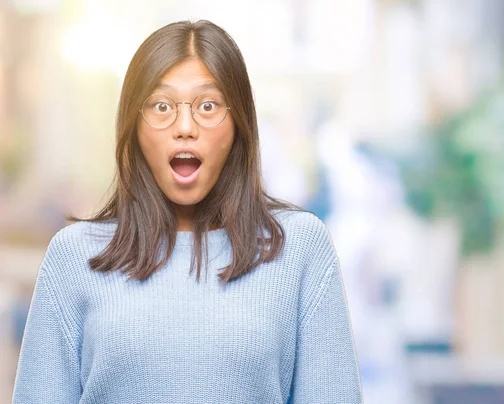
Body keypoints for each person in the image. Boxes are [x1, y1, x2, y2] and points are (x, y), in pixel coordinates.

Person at [11, 20, 363, 404]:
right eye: (161, 106)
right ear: (133, 125)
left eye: (207, 106)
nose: (184, 127)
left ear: (239, 123)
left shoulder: (299, 248)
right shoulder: (75, 256)